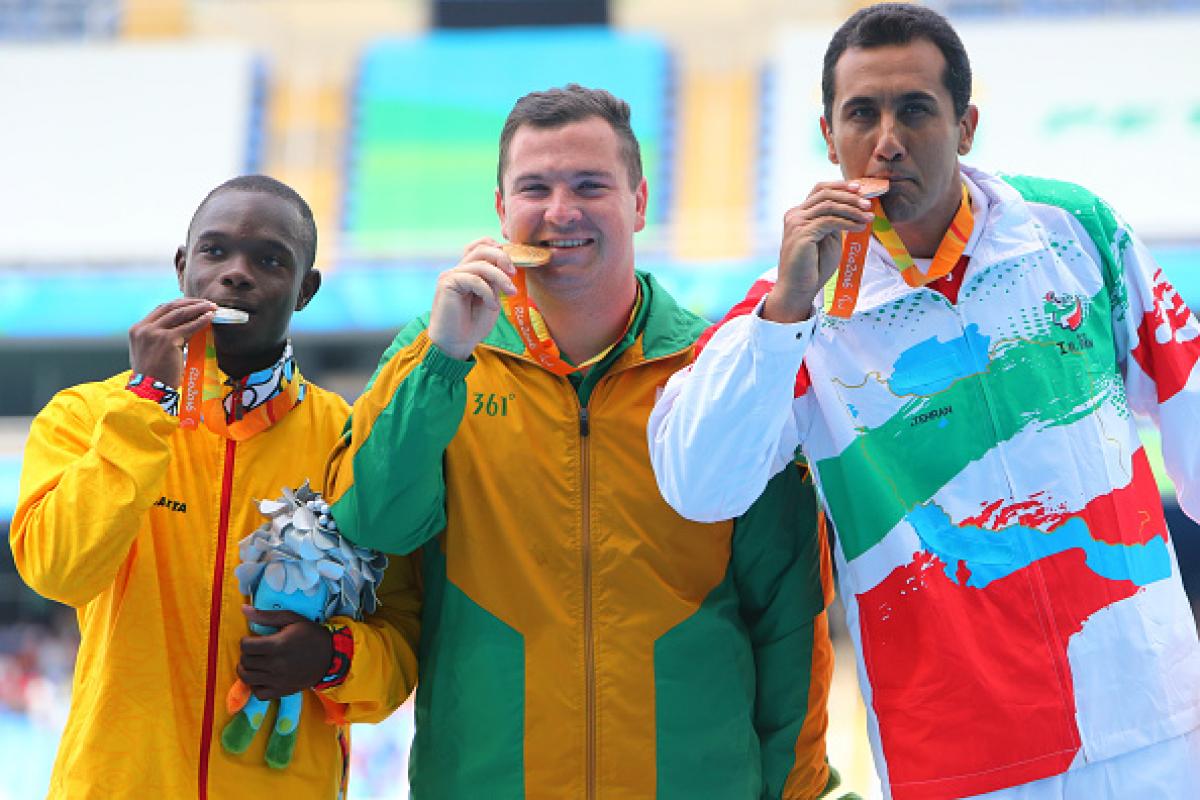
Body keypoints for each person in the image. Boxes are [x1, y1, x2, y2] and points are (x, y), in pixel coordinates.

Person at [648, 4, 1200, 799]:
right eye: (861, 114)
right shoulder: (791, 317)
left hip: (1154, 718)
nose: (887, 139)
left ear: (966, 124)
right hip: (962, 756)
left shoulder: (1071, 232)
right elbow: (698, 487)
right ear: (827, 136)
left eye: (915, 109)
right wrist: (786, 315)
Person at [321, 84, 841, 799]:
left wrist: (800, 792)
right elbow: (372, 525)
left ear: (638, 201)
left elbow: (790, 618)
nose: (560, 211)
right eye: (534, 187)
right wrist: (444, 361)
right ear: (501, 209)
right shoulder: (433, 357)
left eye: (589, 185)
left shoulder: (716, 371)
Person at [11, 175, 419, 799]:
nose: (236, 274)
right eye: (214, 251)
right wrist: (149, 403)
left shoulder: (349, 440)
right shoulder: (88, 416)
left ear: (306, 289)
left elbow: (401, 650)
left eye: (270, 259)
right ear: (183, 268)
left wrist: (332, 657)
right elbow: (58, 569)